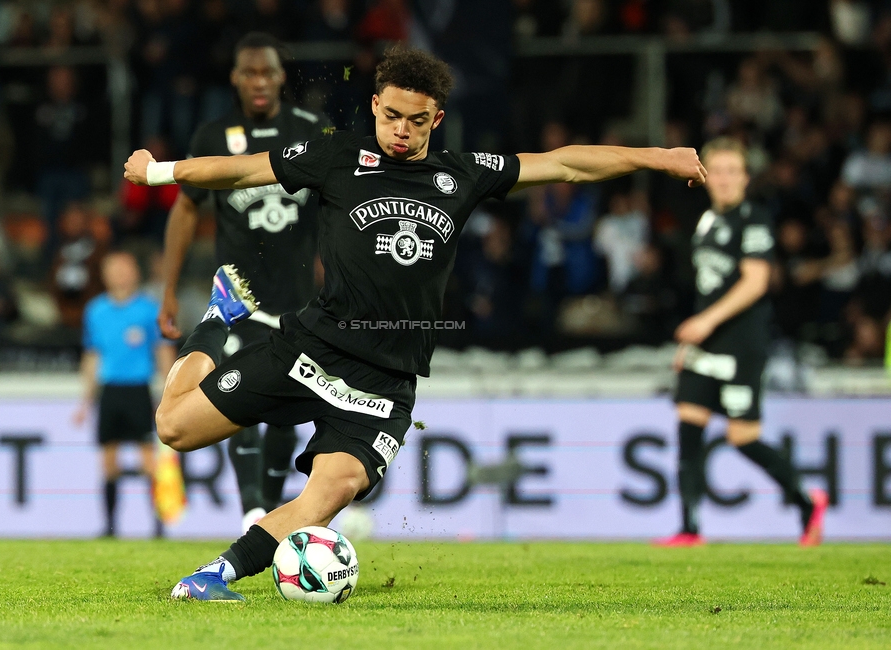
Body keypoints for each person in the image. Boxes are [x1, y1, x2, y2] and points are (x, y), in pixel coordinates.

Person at [124, 45, 707, 601]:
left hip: (382, 384)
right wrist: (159, 172)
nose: (402, 130)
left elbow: (565, 164)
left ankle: (214, 575)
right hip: (310, 348)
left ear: (438, 119)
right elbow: (243, 172)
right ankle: (215, 321)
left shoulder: (463, 174)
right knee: (173, 428)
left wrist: (659, 157)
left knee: (331, 493)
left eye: (418, 121)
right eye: (393, 115)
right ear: (375, 105)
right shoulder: (336, 155)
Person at [159, 32, 332, 535]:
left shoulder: (311, 129)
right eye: (249, 73)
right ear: (235, 79)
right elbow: (186, 209)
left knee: (282, 415)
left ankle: (267, 516)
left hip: (300, 302)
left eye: (268, 72)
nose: (259, 81)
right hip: (239, 299)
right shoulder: (214, 135)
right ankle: (253, 508)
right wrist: (168, 288)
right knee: (236, 400)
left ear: (281, 77)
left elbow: (338, 205)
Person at [656, 137, 828, 548]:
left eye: (735, 171)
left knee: (742, 437)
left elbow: (756, 282)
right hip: (704, 345)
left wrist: (703, 322)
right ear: (705, 176)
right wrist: (692, 340)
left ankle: (806, 501)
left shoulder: (753, 219)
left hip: (741, 344)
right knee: (688, 425)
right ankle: (690, 529)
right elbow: (708, 289)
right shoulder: (707, 222)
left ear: (747, 178)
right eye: (718, 170)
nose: (727, 179)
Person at [75, 251, 175, 538]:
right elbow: (93, 355)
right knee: (108, 459)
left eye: (124, 268)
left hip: (138, 390)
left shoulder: (148, 309)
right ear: (104, 274)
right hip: (110, 390)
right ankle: (110, 528)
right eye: (113, 269)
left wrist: (168, 392)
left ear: (135, 272)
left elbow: (162, 351)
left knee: (147, 458)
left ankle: (157, 528)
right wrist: (85, 400)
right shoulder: (96, 310)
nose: (119, 274)